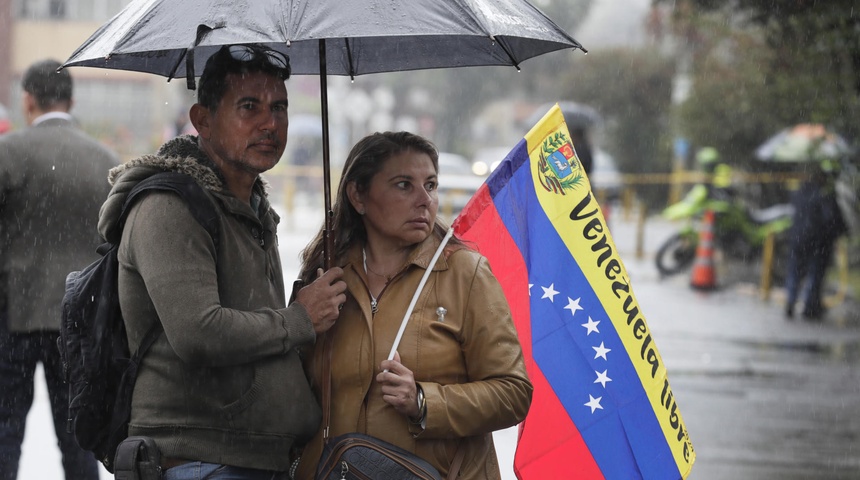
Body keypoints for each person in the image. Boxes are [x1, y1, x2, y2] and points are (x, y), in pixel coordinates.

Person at [97, 45, 346, 478]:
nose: (270, 124)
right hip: (200, 458)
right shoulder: (170, 206)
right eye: (249, 107)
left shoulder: (250, 207)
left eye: (280, 108)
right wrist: (299, 319)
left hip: (249, 457)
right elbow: (198, 332)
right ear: (203, 120)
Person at [294, 132, 533, 479]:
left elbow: (513, 392)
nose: (425, 200)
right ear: (358, 195)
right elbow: (295, 394)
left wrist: (424, 402)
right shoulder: (326, 277)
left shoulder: (465, 273)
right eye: (404, 185)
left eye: (431, 185)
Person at [0, 59, 119, 480]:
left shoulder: (8, 154)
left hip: (13, 316)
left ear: (28, 100)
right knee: (76, 437)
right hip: (80, 322)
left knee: (5, 430)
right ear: (71, 99)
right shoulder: (105, 161)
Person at [784, 160, 848, 320]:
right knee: (815, 273)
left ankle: (791, 301)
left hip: (798, 239)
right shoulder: (824, 195)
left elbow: (794, 214)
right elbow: (831, 219)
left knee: (795, 271)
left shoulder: (800, 191)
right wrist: (839, 232)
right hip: (817, 241)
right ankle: (810, 307)